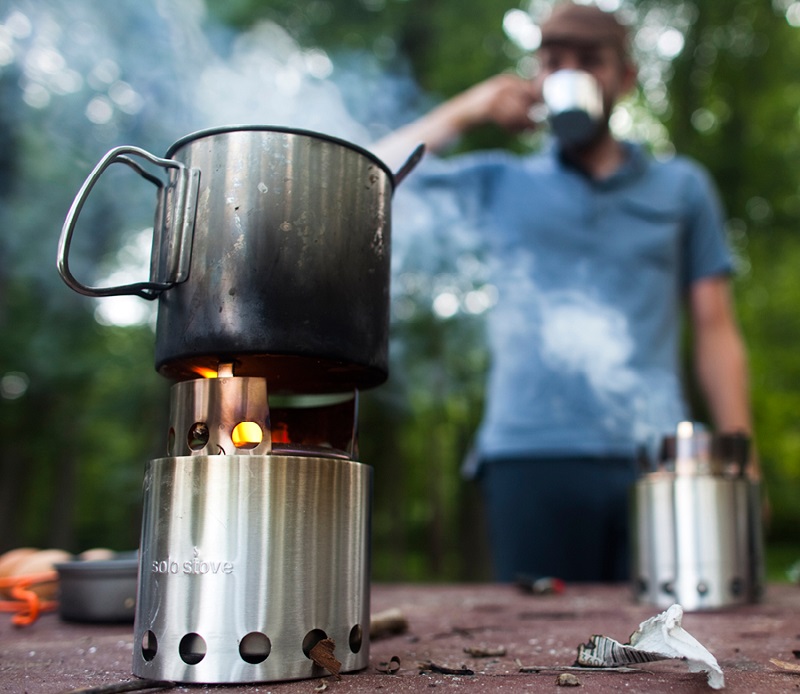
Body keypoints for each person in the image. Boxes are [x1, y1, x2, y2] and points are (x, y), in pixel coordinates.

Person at [373, 2, 756, 582]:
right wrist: (470, 107)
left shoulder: (682, 188)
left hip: (657, 463)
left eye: (589, 62)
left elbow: (715, 328)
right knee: (536, 661)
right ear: (536, 78)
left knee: (665, 656)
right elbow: (370, 178)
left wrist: (741, 460)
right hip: (528, 458)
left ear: (625, 78)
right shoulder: (503, 181)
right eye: (553, 62)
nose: (569, 74)